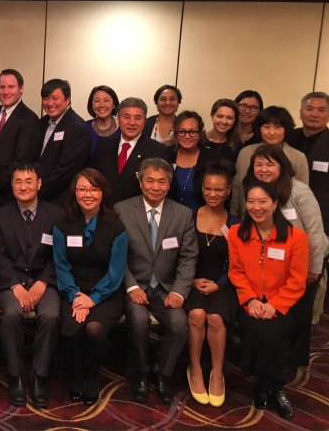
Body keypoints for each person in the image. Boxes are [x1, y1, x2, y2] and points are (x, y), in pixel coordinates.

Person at [115, 158, 197, 404]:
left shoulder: (182, 215)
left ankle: (162, 373)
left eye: (162, 182)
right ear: (140, 182)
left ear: (169, 185)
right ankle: (140, 373)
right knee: (139, 321)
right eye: (150, 180)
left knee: (180, 325)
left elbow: (188, 257)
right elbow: (116, 255)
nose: (155, 186)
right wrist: (130, 287)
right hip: (134, 284)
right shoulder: (122, 210)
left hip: (166, 287)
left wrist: (180, 292)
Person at [239, 145, 329, 367]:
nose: (263, 169)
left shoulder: (299, 191)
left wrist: (313, 268)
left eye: (270, 164)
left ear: (282, 166)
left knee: (298, 315)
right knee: (272, 318)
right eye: (258, 164)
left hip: (303, 264)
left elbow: (315, 233)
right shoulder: (252, 189)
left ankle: (291, 362)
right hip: (270, 266)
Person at [227, 180, 308, 419]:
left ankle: (269, 385)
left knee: (275, 332)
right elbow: (236, 272)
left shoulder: (296, 237)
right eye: (251, 201)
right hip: (250, 300)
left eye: (263, 201)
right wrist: (251, 299)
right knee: (256, 329)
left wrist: (275, 305)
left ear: (275, 204)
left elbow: (297, 280)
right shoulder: (236, 233)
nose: (256, 207)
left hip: (284, 302)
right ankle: (273, 386)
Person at [53, 168, 127, 406]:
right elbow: (60, 265)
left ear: (102, 192)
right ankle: (76, 374)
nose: (88, 194)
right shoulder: (63, 224)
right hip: (72, 288)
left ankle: (92, 375)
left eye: (94, 189)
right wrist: (75, 296)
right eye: (82, 189)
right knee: (71, 331)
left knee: (94, 330)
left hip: (106, 292)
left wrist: (92, 299)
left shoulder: (116, 227)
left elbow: (116, 273)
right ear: (74, 192)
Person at [0, 163, 63, 407]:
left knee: (51, 315)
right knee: (11, 314)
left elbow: (60, 256)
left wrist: (43, 282)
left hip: (46, 280)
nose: (23, 187)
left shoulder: (57, 214)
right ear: (11, 186)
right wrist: (15, 285)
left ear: (39, 184)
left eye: (29, 181)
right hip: (12, 281)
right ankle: (15, 376)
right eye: (18, 182)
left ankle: (39, 375)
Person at [185, 161, 240, 407]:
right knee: (197, 314)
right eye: (208, 189)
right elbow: (181, 255)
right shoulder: (189, 216)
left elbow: (239, 263)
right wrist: (192, 279)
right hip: (192, 282)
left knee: (215, 318)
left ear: (228, 191)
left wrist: (218, 284)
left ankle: (217, 372)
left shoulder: (236, 222)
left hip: (223, 284)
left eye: (219, 190)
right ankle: (195, 368)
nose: (212, 194)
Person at [288, 91, 329, 324]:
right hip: (287, 216)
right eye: (309, 109)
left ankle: (312, 319)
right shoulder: (289, 137)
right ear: (300, 112)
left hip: (322, 219)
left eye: (321, 110)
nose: (314, 114)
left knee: (316, 269)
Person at [0, 69, 40, 210]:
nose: (6, 91)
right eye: (2, 87)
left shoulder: (29, 119)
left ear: (21, 89)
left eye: (11, 87)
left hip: (8, 195)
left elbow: (23, 159)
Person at [92, 97, 171, 203]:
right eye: (127, 117)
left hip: (138, 215)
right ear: (118, 119)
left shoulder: (158, 151)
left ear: (144, 121)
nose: (132, 123)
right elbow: (94, 181)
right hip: (105, 213)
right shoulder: (103, 146)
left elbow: (166, 190)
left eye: (138, 118)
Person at [234, 106, 309, 212]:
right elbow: (237, 187)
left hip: (286, 218)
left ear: (286, 129)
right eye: (266, 127)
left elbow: (304, 195)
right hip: (249, 215)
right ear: (259, 128)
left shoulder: (298, 157)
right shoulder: (246, 153)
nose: (272, 132)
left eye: (278, 127)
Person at [35, 79, 91, 205]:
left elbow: (65, 172)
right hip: (37, 196)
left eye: (55, 98)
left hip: (60, 200)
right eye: (46, 98)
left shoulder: (77, 128)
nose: (50, 103)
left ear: (68, 100)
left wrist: (37, 191)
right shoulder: (42, 123)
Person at [168, 111, 215, 210]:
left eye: (193, 132)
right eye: (182, 131)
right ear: (176, 134)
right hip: (169, 218)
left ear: (200, 134)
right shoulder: (165, 156)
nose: (187, 136)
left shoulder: (212, 160)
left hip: (201, 220)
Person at [84, 85, 120, 164]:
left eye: (106, 100)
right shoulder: (84, 128)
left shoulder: (123, 129)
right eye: (97, 101)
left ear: (114, 104)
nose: (101, 105)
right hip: (90, 175)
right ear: (91, 104)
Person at [202, 98, 239, 163]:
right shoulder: (199, 140)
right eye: (220, 116)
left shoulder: (237, 145)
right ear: (212, 116)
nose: (224, 121)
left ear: (235, 120)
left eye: (229, 118)